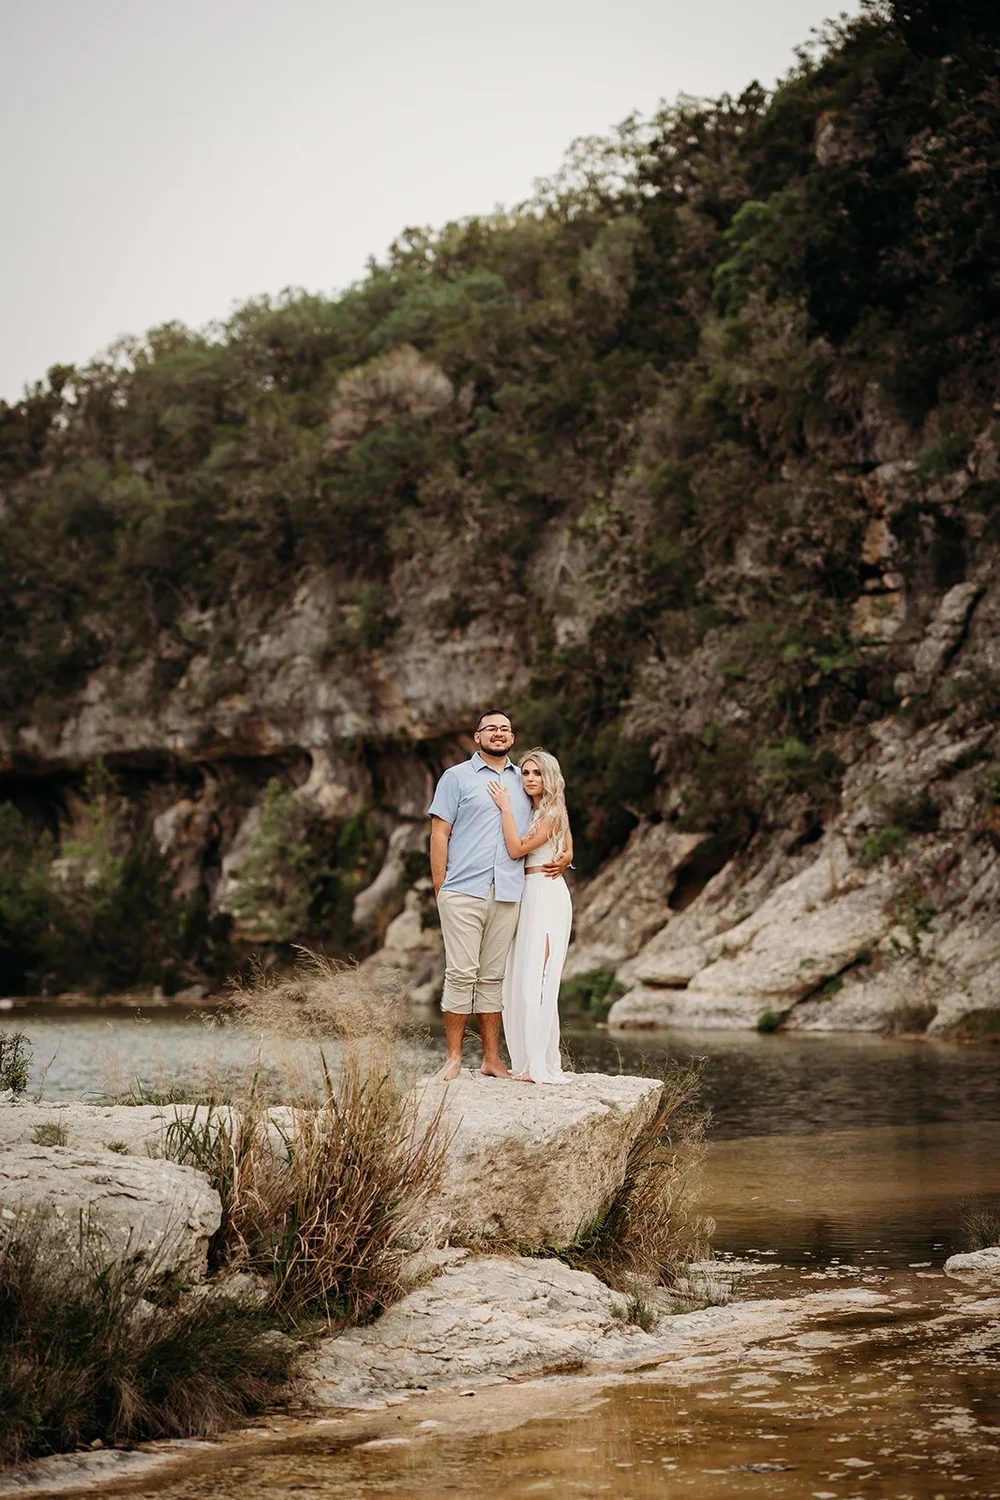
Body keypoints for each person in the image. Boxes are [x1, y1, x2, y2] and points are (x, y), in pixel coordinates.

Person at [428, 711, 571, 1081]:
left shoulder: (523, 780)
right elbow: (440, 833)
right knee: (461, 973)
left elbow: (554, 814)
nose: (498, 733)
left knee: (493, 977)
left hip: (509, 892)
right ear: (477, 736)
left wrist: (568, 853)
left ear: (512, 737)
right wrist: (441, 886)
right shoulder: (455, 777)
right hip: (463, 889)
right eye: (491, 728)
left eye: (505, 729)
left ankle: (492, 1059)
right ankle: (453, 1058)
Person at [487, 748, 573, 1084]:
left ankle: (538, 1064)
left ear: (549, 776)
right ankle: (526, 1060)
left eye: (537, 773)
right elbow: (569, 848)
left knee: (539, 979)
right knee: (521, 978)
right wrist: (567, 855)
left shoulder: (552, 810)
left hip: (546, 893)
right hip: (526, 893)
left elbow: (516, 849)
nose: (530, 778)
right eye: (525, 772)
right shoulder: (534, 810)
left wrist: (505, 808)